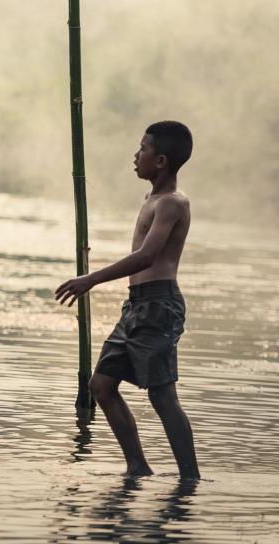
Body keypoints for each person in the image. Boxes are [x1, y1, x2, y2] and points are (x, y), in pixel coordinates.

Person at [55, 121, 199, 480]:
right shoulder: (151, 199)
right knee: (101, 385)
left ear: (161, 160)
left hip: (158, 306)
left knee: (162, 397)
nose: (136, 156)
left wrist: (91, 279)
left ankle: (190, 477)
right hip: (137, 306)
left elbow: (147, 257)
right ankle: (138, 466)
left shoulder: (172, 204)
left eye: (143, 149)